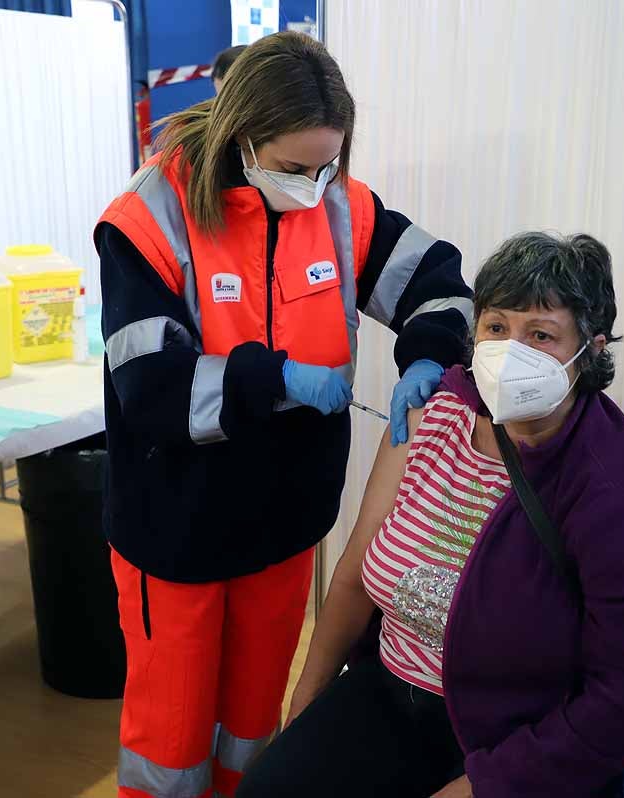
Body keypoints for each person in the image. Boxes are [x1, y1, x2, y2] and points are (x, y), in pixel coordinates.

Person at [95, 31, 472, 798]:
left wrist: (427, 356)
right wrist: (278, 381)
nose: (315, 183)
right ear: (244, 136)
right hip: (178, 534)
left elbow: (440, 281)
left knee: (251, 724)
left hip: (284, 526)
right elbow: (150, 387)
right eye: (297, 167)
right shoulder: (148, 219)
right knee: (172, 744)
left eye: (329, 164)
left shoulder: (339, 207)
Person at [237, 232, 624, 798]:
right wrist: (304, 707)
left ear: (592, 351)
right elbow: (354, 575)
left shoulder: (623, 490)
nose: (510, 351)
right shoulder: (436, 413)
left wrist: (483, 787)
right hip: (390, 693)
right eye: (496, 327)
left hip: (520, 737)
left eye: (541, 335)